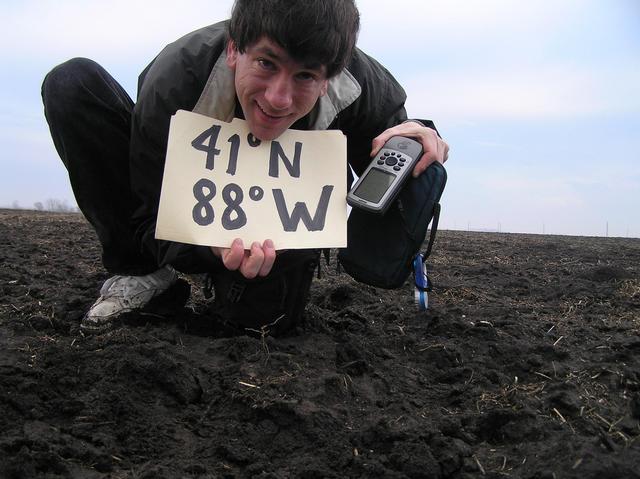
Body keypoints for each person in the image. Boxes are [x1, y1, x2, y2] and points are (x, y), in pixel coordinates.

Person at [41, 0, 449, 335]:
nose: (277, 99)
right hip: (179, 220)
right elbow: (148, 215)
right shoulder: (175, 79)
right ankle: (144, 276)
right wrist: (207, 243)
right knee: (70, 83)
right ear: (235, 48)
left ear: (330, 77)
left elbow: (391, 156)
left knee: (263, 327)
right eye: (267, 64)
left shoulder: (361, 85)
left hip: (278, 241)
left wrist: (417, 138)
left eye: (305, 75)